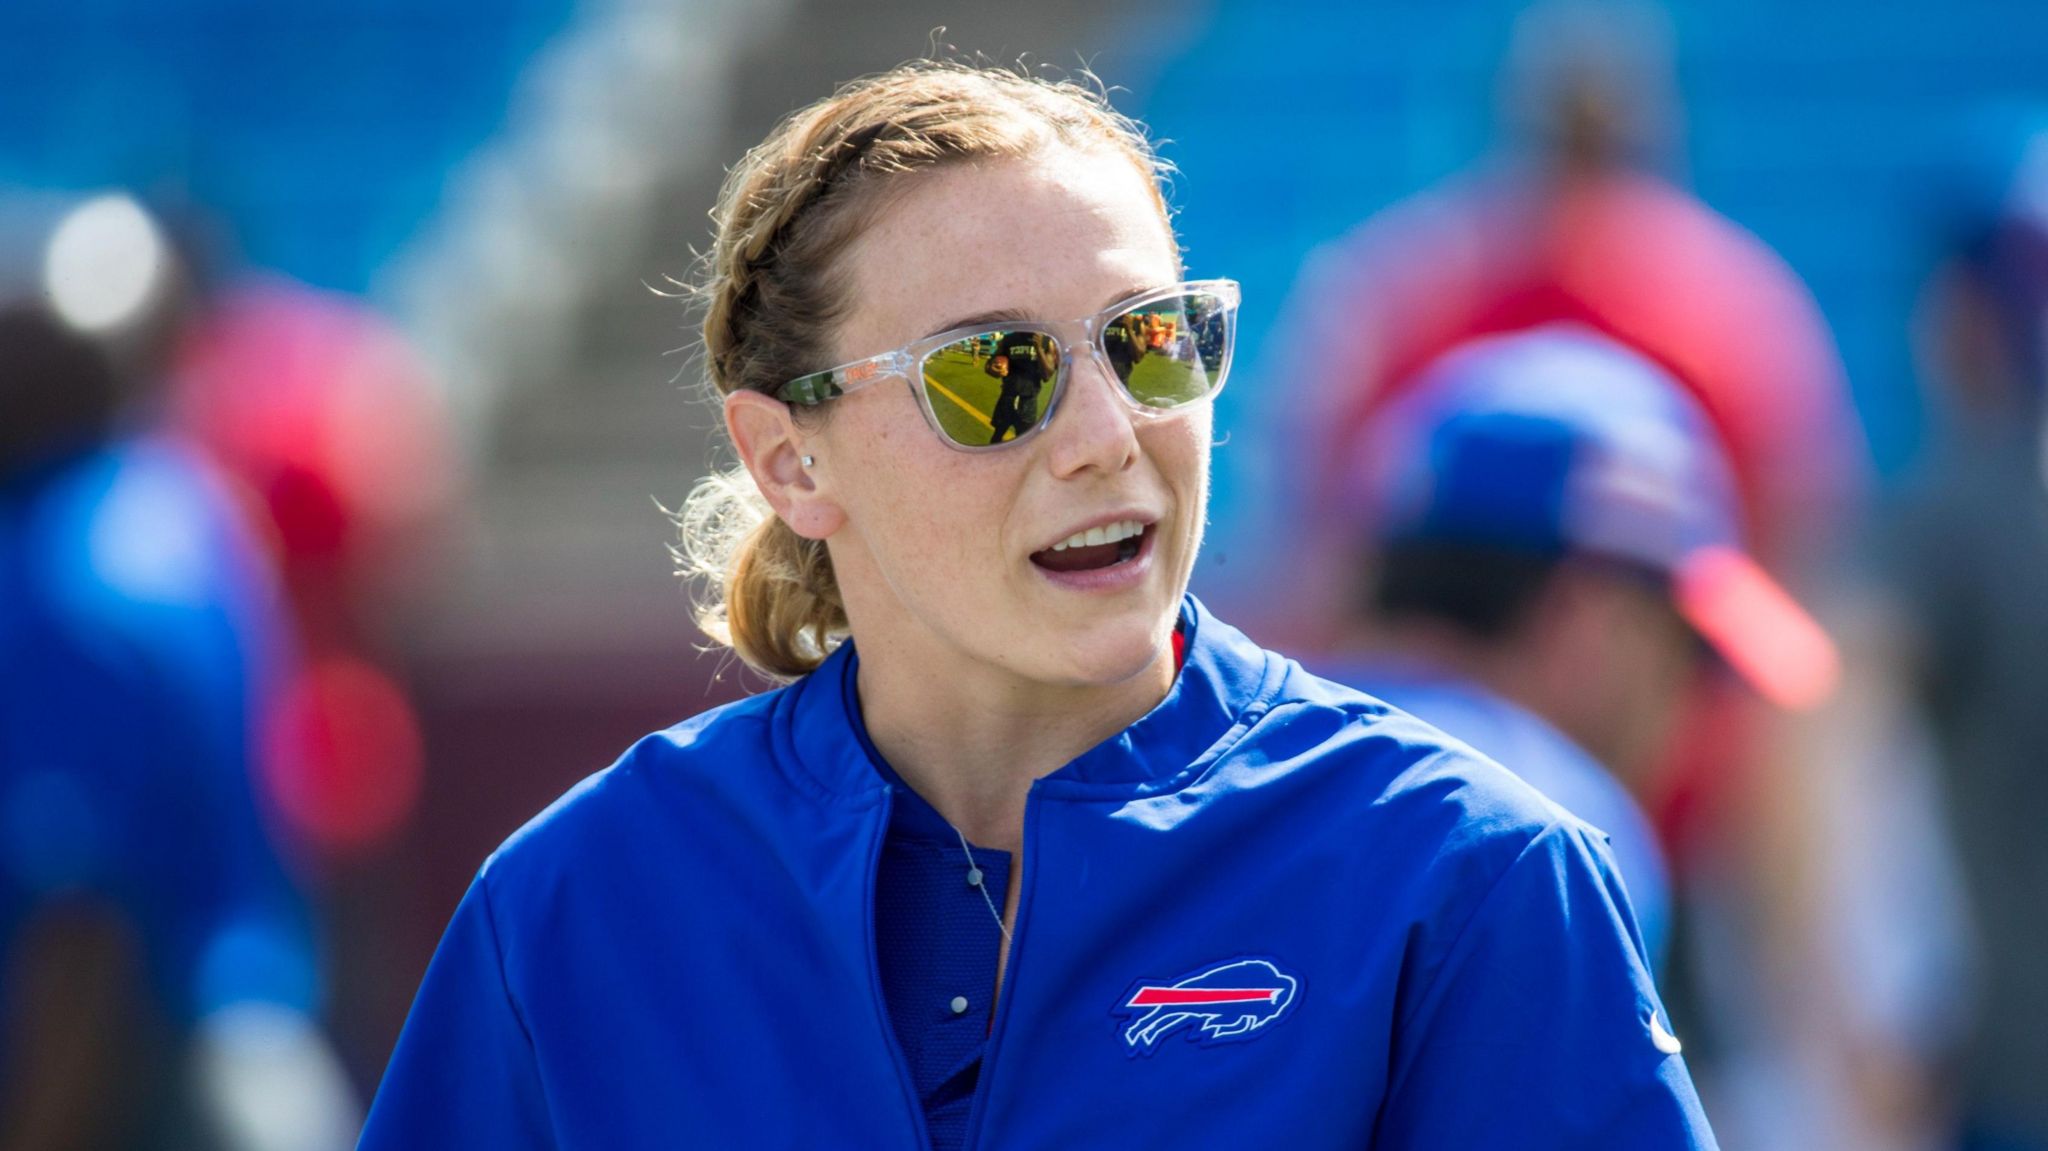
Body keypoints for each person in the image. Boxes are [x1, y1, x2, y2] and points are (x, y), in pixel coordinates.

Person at [358, 61, 1715, 1148]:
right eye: (993, 373)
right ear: (791, 456)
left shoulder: (1472, 878)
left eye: (1150, 340)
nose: (1107, 432)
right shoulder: (573, 908)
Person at [1318, 326, 1841, 972]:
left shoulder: (1224, 766)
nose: (1685, 714)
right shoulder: (1556, 841)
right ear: (1592, 615)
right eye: (1685, 656)